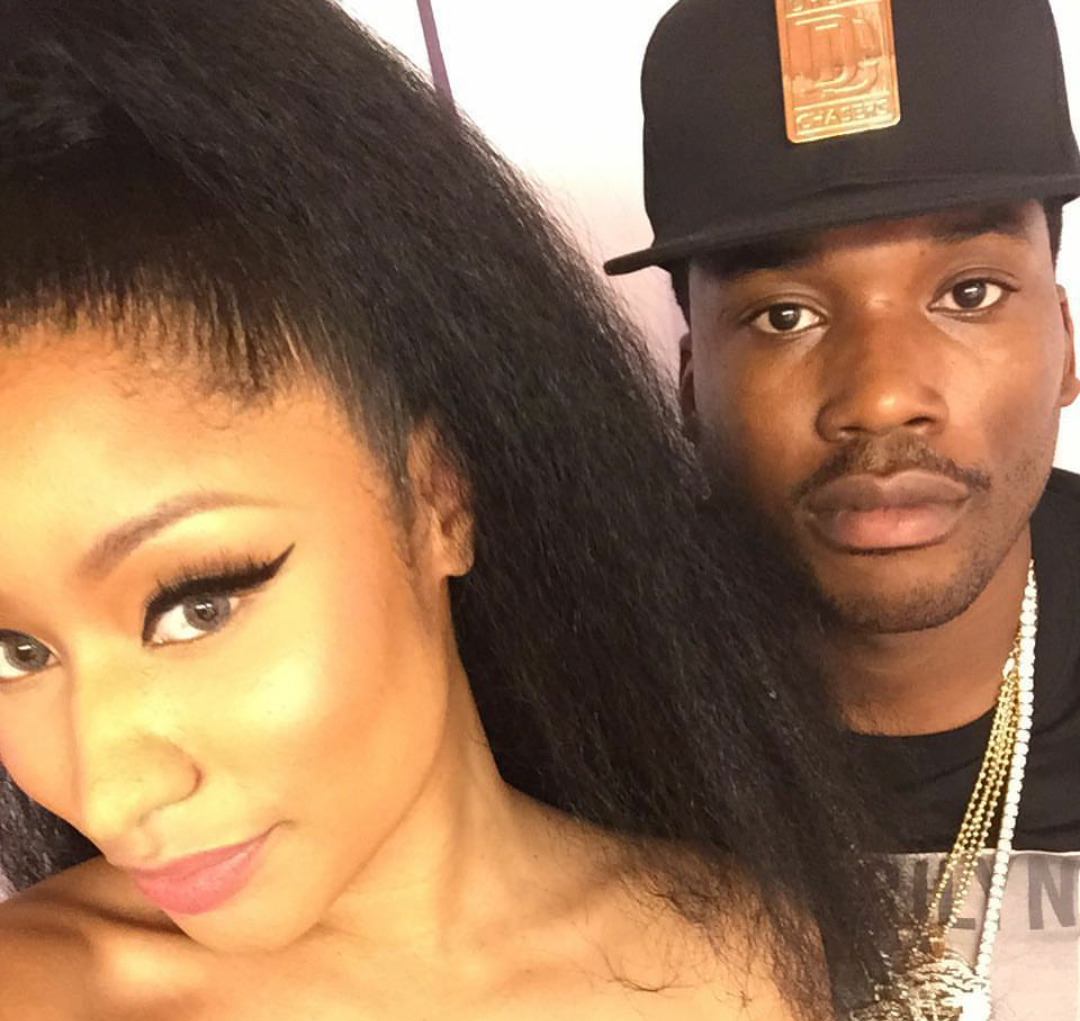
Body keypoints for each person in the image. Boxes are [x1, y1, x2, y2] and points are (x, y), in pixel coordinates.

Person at [0, 1, 900, 1018]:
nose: (109, 789)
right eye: (15, 651)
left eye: (197, 604)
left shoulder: (744, 958)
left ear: (438, 494)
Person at [607, 0, 1080, 1017]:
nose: (881, 396)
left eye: (968, 293)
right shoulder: (570, 695)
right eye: (785, 314)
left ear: (1067, 344)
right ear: (689, 383)